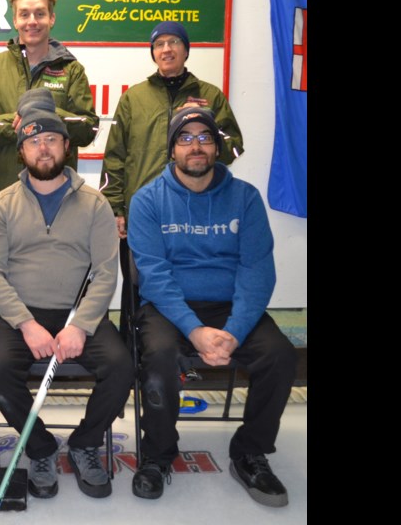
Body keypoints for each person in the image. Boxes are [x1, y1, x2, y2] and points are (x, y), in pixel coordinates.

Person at [127, 107, 296, 507]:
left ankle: (249, 452)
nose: (196, 146)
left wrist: (234, 331)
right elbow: (154, 275)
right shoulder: (147, 200)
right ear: (172, 150)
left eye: (204, 137)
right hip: (170, 307)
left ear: (217, 147)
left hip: (230, 308)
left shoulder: (245, 198)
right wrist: (194, 330)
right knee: (159, 357)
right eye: (185, 139)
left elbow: (257, 271)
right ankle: (158, 454)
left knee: (281, 356)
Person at [0, 89, 133, 501]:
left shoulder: (95, 204)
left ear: (67, 145)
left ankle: (85, 443)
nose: (43, 148)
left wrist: (81, 325)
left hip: (78, 314)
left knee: (121, 367)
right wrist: (26, 324)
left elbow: (105, 272)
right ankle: (41, 447)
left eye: (51, 139)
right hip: (18, 317)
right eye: (33, 141)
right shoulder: (1, 205)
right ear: (21, 151)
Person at [101, 20, 244, 240]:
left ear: (186, 50)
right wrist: (115, 208)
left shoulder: (211, 95)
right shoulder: (133, 98)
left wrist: (206, 123)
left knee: (194, 272)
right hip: (143, 209)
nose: (166, 49)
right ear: (153, 53)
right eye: (159, 44)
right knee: (140, 275)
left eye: (173, 42)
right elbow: (114, 157)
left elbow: (233, 149)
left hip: (195, 208)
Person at [0, 0, 98, 207]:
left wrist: (47, 117)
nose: (32, 21)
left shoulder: (72, 70)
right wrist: (16, 123)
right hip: (3, 196)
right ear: (15, 20)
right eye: (24, 14)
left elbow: (88, 128)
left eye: (40, 14)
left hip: (60, 198)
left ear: (52, 19)